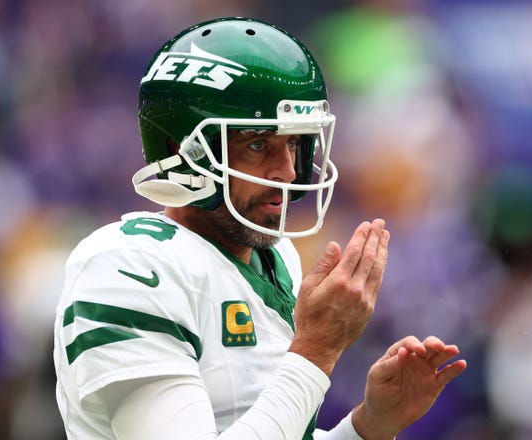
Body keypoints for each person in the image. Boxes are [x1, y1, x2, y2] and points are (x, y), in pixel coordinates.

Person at [53, 17, 467, 439]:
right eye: (258, 145)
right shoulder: (128, 267)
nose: (287, 172)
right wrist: (316, 350)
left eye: (293, 143)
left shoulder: (276, 257)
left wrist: (367, 426)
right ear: (184, 151)